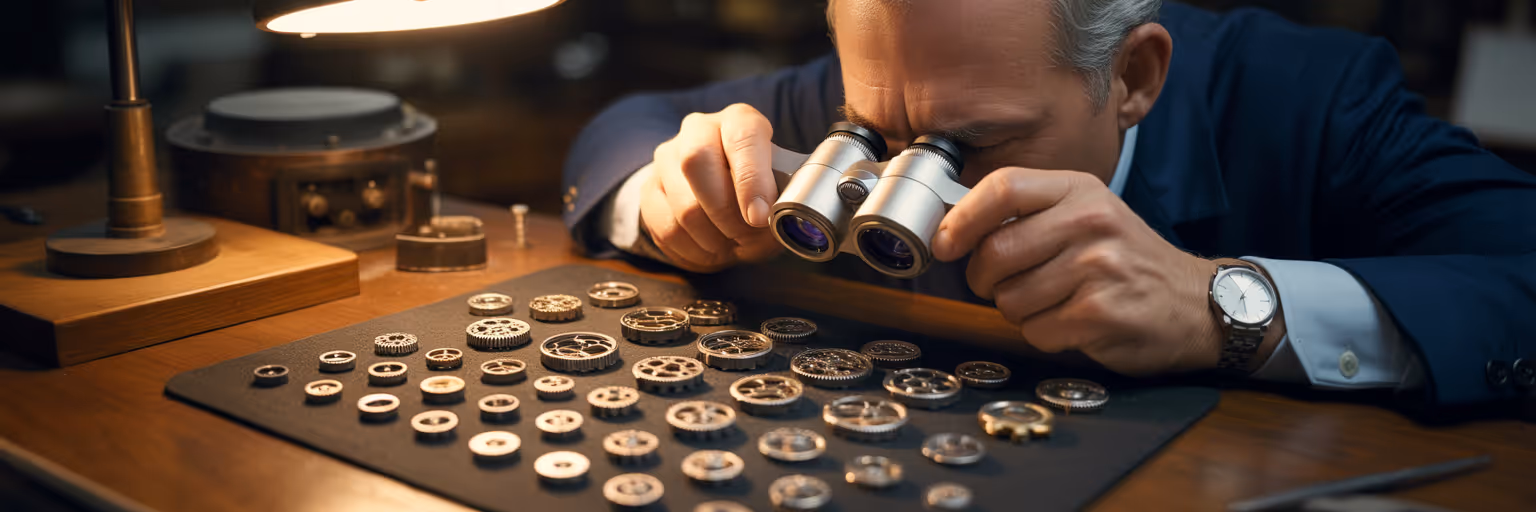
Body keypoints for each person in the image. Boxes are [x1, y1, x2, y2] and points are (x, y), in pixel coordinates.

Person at [561, 0, 1536, 410]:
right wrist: (668, 196)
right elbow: (622, 131)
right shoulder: (906, 75)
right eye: (878, 131)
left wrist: (1223, 305)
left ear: (1135, 76)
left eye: (968, 147)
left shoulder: (1312, 102)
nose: (906, 173)